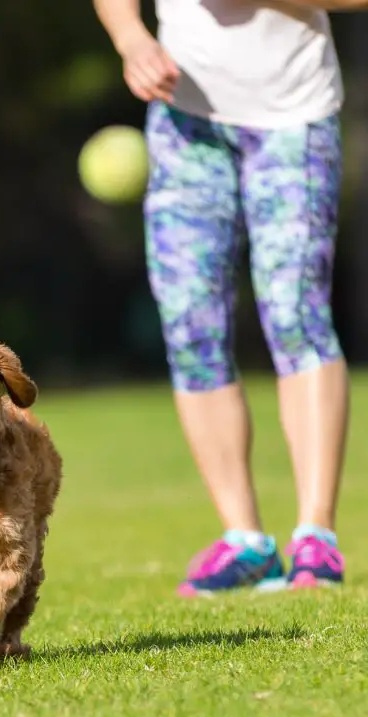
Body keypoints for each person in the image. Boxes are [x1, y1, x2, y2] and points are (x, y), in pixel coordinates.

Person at [93, 0, 364, 594]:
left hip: (295, 117)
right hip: (184, 122)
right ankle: (244, 539)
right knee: (190, 326)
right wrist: (131, 38)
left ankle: (316, 537)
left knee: (296, 316)